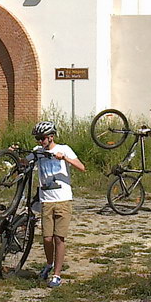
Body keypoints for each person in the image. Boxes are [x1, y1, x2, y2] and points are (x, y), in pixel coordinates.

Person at [32, 120, 85, 288]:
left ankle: (57, 274)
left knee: (58, 238)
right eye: (38, 139)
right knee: (47, 238)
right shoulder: (38, 151)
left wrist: (65, 158)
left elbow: (82, 167)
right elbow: (25, 162)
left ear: (51, 137)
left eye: (42, 138)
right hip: (46, 199)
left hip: (62, 198)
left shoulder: (64, 148)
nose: (40, 142)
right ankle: (49, 264)